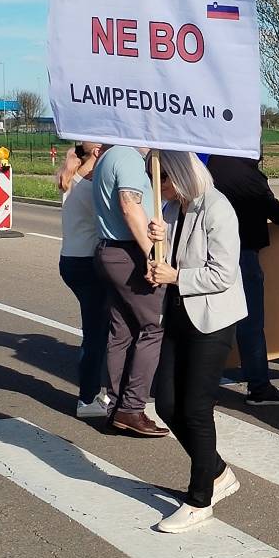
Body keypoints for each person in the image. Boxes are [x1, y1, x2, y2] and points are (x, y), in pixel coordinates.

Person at [145, 152, 247, 532]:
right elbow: (164, 263)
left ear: (180, 175)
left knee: (196, 408)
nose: (158, 188)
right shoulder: (172, 209)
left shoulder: (217, 208)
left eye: (161, 180)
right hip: (178, 314)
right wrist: (155, 246)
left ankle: (200, 499)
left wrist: (176, 277)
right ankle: (216, 470)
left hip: (212, 321)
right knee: (167, 404)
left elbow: (223, 274)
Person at [208, 154, 279, 405]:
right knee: (250, 323)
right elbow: (275, 211)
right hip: (242, 255)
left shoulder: (211, 164)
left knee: (213, 321)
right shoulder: (247, 175)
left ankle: (202, 386)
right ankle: (259, 387)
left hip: (209, 254)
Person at [94, 145, 170, 437]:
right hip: (129, 253)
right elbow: (129, 204)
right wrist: (152, 253)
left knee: (122, 331)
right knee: (153, 327)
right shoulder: (127, 157)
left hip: (112, 250)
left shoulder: (110, 155)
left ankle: (116, 408)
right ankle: (132, 408)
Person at [58, 143, 114, 419]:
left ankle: (93, 392)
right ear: (97, 152)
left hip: (70, 258)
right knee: (96, 334)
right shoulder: (92, 187)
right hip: (88, 262)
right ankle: (88, 398)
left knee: (96, 331)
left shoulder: (71, 177)